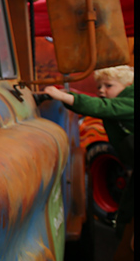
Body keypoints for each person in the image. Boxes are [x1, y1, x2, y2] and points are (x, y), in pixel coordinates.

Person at [44, 65, 134, 237]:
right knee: (127, 209)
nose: (102, 90)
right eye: (99, 86)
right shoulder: (121, 103)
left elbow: (103, 107)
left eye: (109, 86)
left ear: (128, 85)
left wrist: (63, 96)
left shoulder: (129, 100)